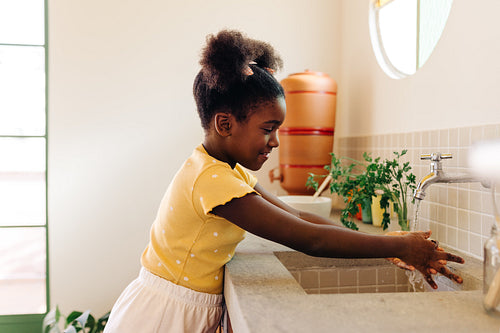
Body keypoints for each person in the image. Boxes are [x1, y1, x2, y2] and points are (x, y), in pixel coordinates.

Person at [104, 29, 464, 333]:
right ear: (225, 124)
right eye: (268, 129)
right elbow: (309, 239)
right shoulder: (212, 180)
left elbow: (298, 217)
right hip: (163, 316)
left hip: (182, 308)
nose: (275, 142)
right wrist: (397, 248)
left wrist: (383, 242)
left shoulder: (227, 170)